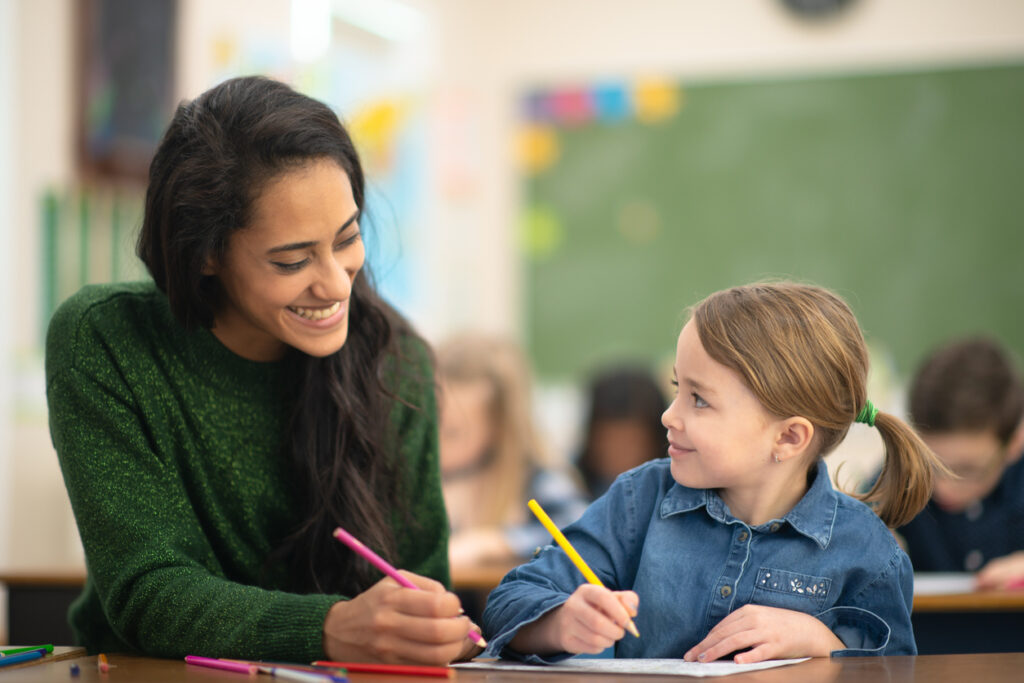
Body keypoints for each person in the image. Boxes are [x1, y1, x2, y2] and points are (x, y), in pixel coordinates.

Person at [46, 76, 481, 664]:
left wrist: (430, 626)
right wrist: (327, 627)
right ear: (205, 253)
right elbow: (148, 591)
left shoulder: (394, 360)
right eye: (292, 259)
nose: (334, 283)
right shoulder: (106, 341)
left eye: (347, 238)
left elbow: (421, 581)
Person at [482, 282, 943, 663]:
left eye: (699, 400)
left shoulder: (867, 552)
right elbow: (507, 603)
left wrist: (824, 642)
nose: (668, 415)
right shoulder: (638, 502)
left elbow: (896, 669)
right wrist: (560, 622)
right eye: (678, 389)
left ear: (788, 438)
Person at [436, 333, 588, 571]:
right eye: (428, 423)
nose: (434, 442)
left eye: (453, 432)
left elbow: (580, 530)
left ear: (500, 427)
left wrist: (494, 543)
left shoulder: (535, 478)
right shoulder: (417, 478)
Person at [896, 336, 1024, 588]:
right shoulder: (898, 477)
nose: (943, 486)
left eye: (967, 470)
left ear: (1014, 443)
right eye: (931, 464)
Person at [575, 366, 668, 499]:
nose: (619, 455)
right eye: (608, 441)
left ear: (656, 441)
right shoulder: (568, 486)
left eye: (632, 443)